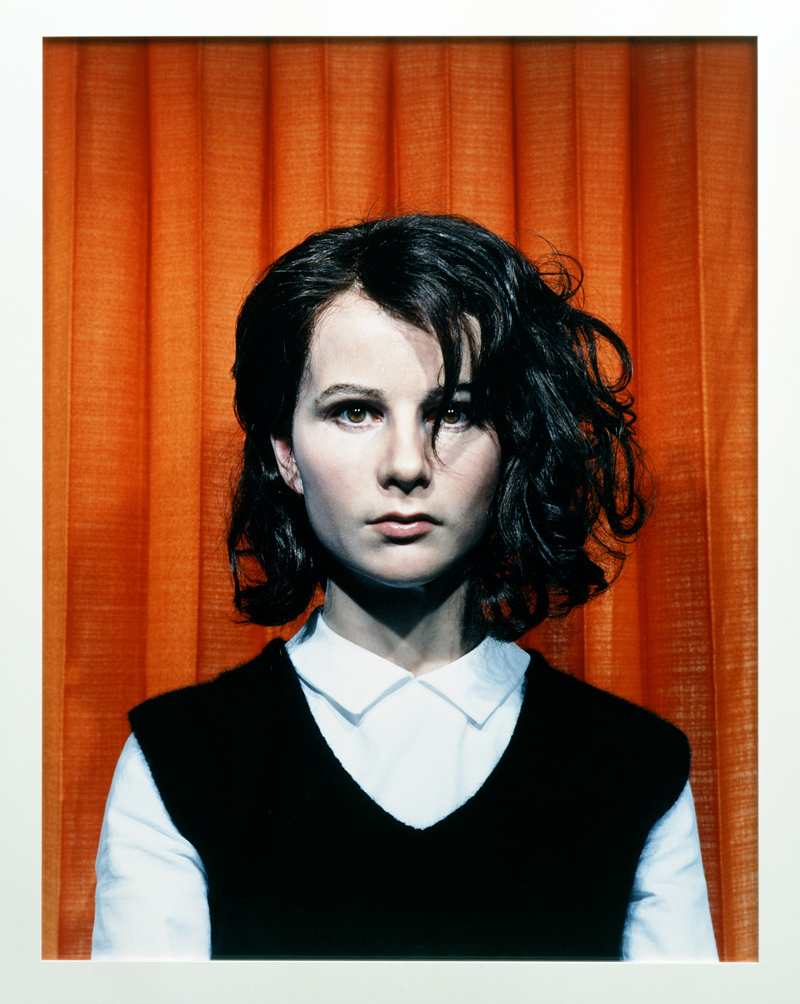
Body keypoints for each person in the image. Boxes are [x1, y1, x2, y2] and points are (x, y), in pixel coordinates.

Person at [92, 213, 717, 960]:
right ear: (286, 453)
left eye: (452, 413)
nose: (407, 465)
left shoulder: (637, 767)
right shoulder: (179, 762)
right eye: (355, 411)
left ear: (512, 443)